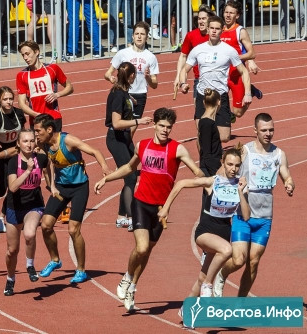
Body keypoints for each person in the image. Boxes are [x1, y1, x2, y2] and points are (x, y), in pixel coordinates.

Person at [94, 107, 204, 312]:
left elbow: (196, 171)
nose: (165, 130)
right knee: (142, 247)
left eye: (168, 127)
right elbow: (129, 168)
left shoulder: (178, 149)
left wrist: (210, 180)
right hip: (141, 203)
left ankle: (133, 287)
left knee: (146, 252)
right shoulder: (142, 145)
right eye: (161, 126)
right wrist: (106, 178)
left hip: (161, 210)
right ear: (154, 124)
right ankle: (126, 278)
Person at [213, 113, 295, 297]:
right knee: (238, 259)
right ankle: (221, 273)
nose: (268, 133)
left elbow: (287, 175)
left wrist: (289, 184)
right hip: (243, 215)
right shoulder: (245, 151)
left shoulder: (279, 154)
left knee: (254, 261)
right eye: (264, 130)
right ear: (255, 130)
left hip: (264, 217)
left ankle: (240, 303)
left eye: (271, 130)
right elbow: (223, 172)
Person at [159, 147, 249, 299]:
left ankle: (187, 309)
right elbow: (181, 183)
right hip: (205, 231)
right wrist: (166, 208)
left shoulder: (240, 186)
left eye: (237, 165)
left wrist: (240, 192)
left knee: (201, 277)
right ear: (223, 163)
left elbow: (246, 216)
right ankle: (209, 284)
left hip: (223, 233)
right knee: (227, 250)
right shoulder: (212, 182)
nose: (233, 169)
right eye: (230, 164)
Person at [34, 114, 111, 283]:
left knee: (73, 229)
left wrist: (104, 168)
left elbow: (94, 151)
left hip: (79, 187)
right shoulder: (42, 143)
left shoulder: (68, 140)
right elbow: (46, 165)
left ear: (49, 129)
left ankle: (81, 270)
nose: (36, 134)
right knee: (46, 226)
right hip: (61, 188)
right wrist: (51, 185)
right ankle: (55, 260)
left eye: (38, 131)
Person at [178, 15, 252, 143]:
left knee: (224, 137)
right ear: (207, 29)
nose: (213, 31)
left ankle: (213, 148)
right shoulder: (198, 49)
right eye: (211, 28)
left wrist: (248, 93)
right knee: (202, 133)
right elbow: (184, 69)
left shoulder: (229, 50)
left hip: (220, 95)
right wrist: (183, 83)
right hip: (203, 95)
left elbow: (244, 72)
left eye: (217, 28)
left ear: (222, 30)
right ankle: (206, 160)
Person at [105, 61, 152, 229]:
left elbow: (124, 100)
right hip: (116, 138)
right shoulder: (118, 94)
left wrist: (131, 100)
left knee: (132, 175)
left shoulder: (123, 92)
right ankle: (132, 218)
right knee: (130, 177)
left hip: (124, 139)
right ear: (132, 76)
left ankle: (121, 216)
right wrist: (139, 120)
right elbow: (116, 123)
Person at [3, 129, 48, 296]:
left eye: (31, 141)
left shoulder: (41, 158)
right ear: (18, 144)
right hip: (14, 207)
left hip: (34, 205)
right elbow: (13, 187)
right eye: (25, 141)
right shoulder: (13, 162)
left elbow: (49, 170)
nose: (29, 144)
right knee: (12, 250)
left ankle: (30, 265)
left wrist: (53, 187)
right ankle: (10, 278)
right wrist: (28, 171)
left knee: (29, 234)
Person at [104, 21, 159, 131]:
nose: (139, 37)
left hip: (140, 96)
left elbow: (155, 84)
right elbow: (107, 73)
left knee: (131, 130)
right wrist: (110, 78)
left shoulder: (151, 57)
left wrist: (148, 77)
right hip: (124, 94)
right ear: (132, 36)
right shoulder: (123, 53)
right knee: (120, 127)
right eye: (136, 34)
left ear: (147, 37)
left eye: (142, 34)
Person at [0, 86, 27, 233]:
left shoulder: (18, 113)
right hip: (0, 155)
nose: (9, 102)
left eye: (11, 98)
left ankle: (4, 217)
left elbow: (23, 131)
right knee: (0, 190)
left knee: (14, 188)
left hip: (15, 155)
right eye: (5, 99)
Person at [16, 40, 73, 131]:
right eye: (23, 55)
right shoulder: (21, 75)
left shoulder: (53, 68)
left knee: (56, 145)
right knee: (38, 145)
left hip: (54, 118)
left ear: (37, 52)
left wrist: (57, 94)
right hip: (36, 120)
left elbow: (70, 87)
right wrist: (36, 115)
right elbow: (21, 104)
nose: (25, 58)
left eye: (27, 54)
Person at [221, 1, 263, 121]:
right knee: (214, 103)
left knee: (238, 113)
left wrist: (236, 58)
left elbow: (252, 53)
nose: (228, 15)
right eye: (226, 12)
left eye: (231, 13)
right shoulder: (219, 29)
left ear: (237, 16)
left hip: (236, 75)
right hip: (221, 75)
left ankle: (252, 91)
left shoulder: (241, 31)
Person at [174, 4, 215, 100]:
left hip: (215, 79)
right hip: (199, 79)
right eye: (199, 19)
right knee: (198, 112)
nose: (200, 21)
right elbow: (183, 56)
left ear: (210, 20)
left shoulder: (216, 34)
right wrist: (178, 77)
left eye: (204, 19)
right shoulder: (191, 35)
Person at [198, 88, 222, 176]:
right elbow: (207, 153)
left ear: (204, 102)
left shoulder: (208, 121)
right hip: (210, 168)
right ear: (218, 102)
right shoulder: (206, 123)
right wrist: (216, 173)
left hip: (211, 165)